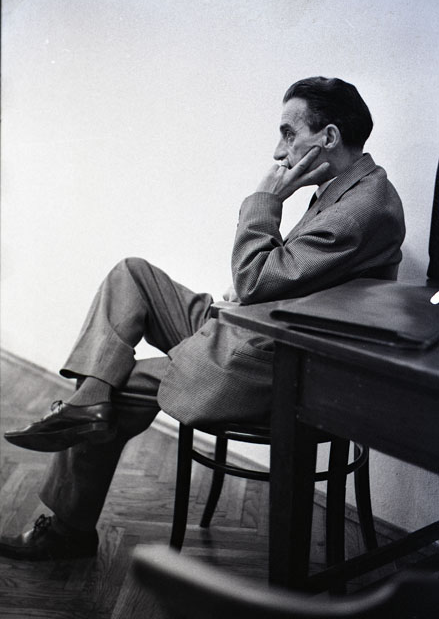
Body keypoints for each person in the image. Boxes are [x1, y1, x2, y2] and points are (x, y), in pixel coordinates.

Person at [0, 76, 405, 560]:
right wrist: (249, 292)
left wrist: (266, 201)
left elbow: (256, 279)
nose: (279, 152)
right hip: (251, 328)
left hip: (270, 362)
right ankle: (89, 398)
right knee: (132, 274)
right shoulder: (348, 190)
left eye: (288, 133)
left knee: (119, 386)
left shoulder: (364, 207)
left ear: (329, 137)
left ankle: (69, 525)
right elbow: (282, 280)